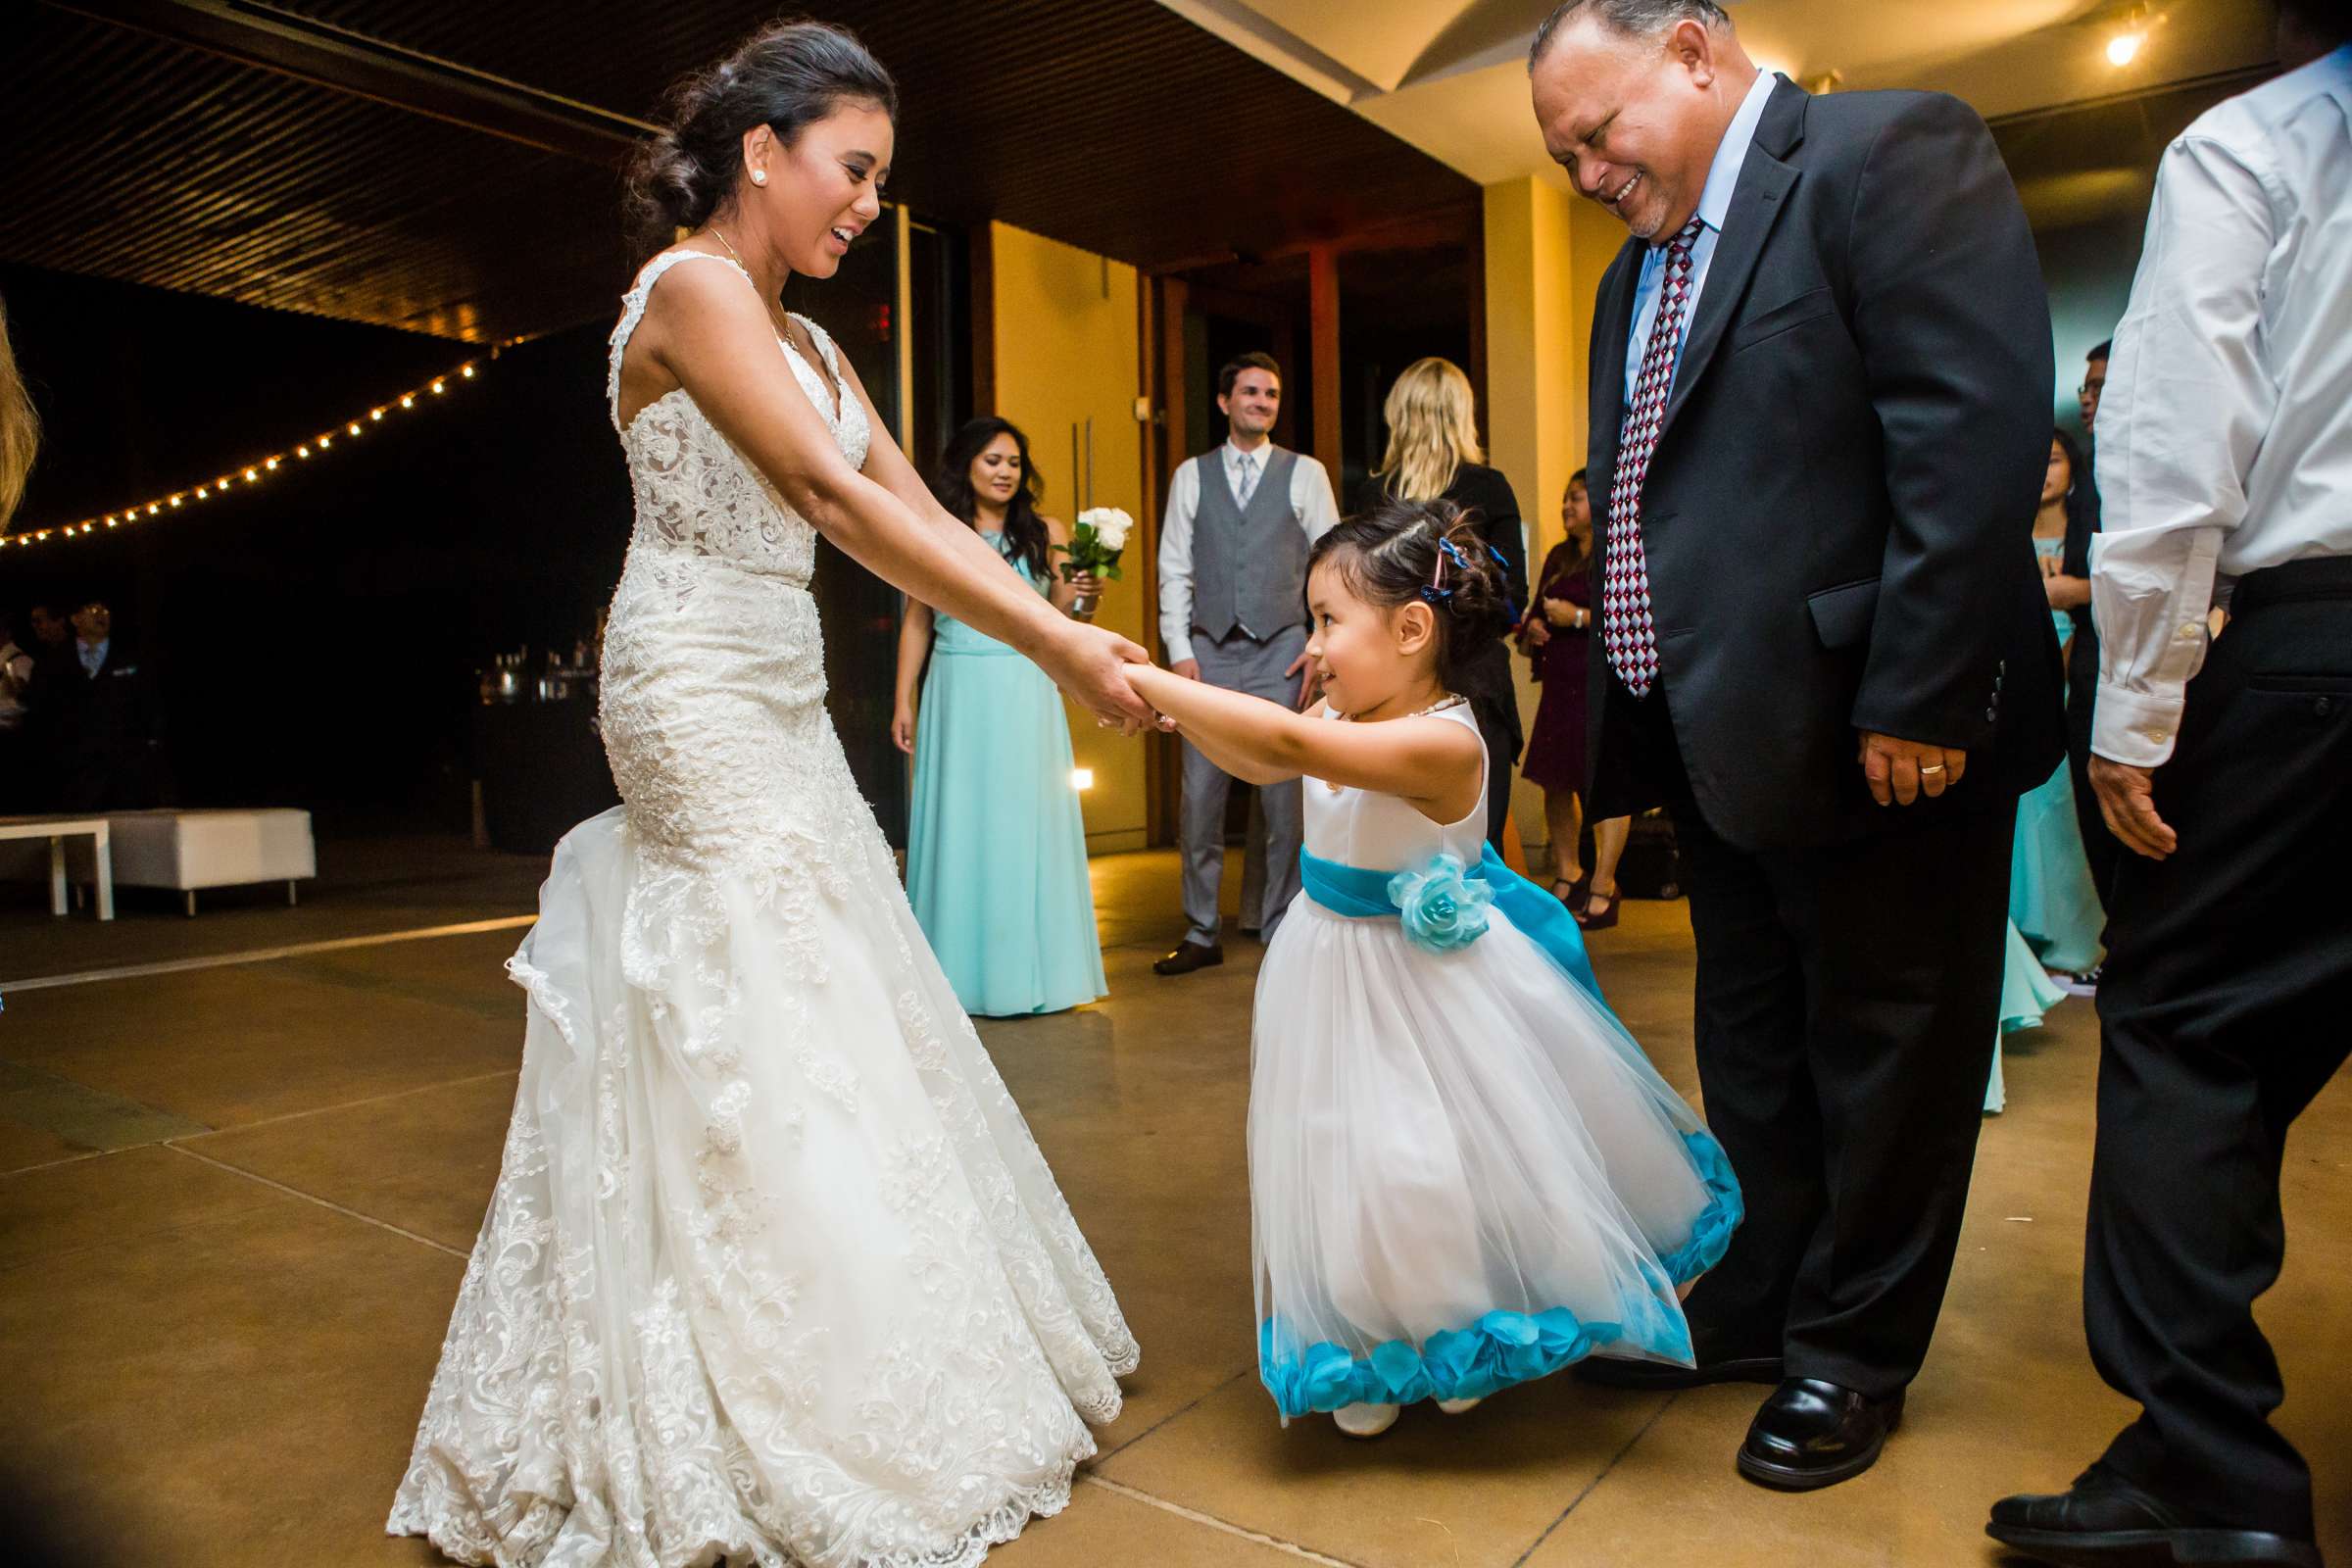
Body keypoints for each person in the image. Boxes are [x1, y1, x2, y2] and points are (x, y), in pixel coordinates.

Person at [389, 24, 1147, 1566]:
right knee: (757, 999)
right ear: (762, 150)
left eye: (880, 180)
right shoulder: (691, 291)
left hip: (788, 692)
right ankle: (734, 1382)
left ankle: (854, 1338)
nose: (868, 203)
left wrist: (1063, 617)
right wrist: (1059, 645)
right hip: (692, 691)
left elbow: (914, 505)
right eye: (854, 169)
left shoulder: (813, 342)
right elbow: (822, 497)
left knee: (840, 989)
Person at [1529, 0, 2064, 1490]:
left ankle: (1854, 1353)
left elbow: (1969, 434)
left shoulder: (1889, 150)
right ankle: (1764, 1300)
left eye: (1597, 131)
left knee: (1889, 1050)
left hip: (1880, 726)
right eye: (1562, 153)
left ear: (1693, 52)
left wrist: (1920, 688)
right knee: (1752, 1044)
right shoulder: (1635, 272)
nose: (1583, 172)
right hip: (1718, 732)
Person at [1121, 499, 1740, 1439]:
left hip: (1420, 982)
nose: (1314, 645)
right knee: (1341, 1151)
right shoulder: (1341, 705)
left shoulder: (1446, 740)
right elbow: (1263, 759)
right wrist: (1179, 723)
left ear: (1413, 630)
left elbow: (1287, 745)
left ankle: (1458, 1330)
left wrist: (1160, 682)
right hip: (1326, 964)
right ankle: (1373, 1342)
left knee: (1422, 1160)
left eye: (1330, 620)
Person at [1989, 14, 2352, 1567]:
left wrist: (2132, 714)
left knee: (2187, 1027)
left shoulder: (2261, 142)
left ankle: (2205, 1464)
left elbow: (2174, 446)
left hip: (2315, 646)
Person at [893, 416, 1106, 1016]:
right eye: (993, 460)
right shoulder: (941, 531)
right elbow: (917, 616)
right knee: (963, 820)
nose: (1005, 472)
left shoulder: (1046, 532)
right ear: (967, 465)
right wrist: (903, 695)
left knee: (1024, 819)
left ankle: (1030, 972)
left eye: (1013, 462)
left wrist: (1088, 593)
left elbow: (1068, 620)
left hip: (1024, 685)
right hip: (958, 686)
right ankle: (956, 974)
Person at [1152, 351, 1341, 976]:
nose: (1263, 403)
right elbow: (1174, 568)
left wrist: (1321, 647)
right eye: (1251, 392)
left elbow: (1331, 568)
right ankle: (1202, 929)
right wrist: (1179, 654)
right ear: (1225, 401)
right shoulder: (1191, 476)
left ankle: (1281, 922)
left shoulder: (1304, 472)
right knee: (1200, 797)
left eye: (1272, 394)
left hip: (1284, 650)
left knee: (1285, 799)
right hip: (1207, 653)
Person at [1353, 357, 1529, 857]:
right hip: (1473, 684)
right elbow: (1513, 597)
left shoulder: (1373, 496)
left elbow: (1358, 602)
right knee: (1478, 851)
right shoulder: (1489, 488)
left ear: (1399, 415)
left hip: (1393, 688)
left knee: (1392, 851)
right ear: (1461, 414)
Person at [2009, 431, 2107, 979]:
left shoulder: (2087, 530)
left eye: (2055, 460)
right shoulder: (2009, 529)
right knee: (2023, 811)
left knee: (2064, 806)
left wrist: (2075, 592)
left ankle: (2076, 941)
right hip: (2019, 675)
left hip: (2075, 676)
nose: (2045, 472)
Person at [1518, 470, 1633, 928]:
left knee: (1605, 785)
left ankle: (1605, 885)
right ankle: (1569, 874)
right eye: (1564, 499)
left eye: (1576, 498)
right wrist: (1533, 627)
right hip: (1559, 685)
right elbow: (1530, 611)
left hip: (1599, 685)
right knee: (1555, 780)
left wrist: (1579, 617)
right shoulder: (1558, 557)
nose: (1566, 507)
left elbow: (1630, 620)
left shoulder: (1616, 552)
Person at [2063, 338, 2125, 907]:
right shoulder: (2087, 467)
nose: (2089, 398)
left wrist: (2075, 589)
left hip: (2131, 654)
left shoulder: (2138, 468)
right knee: (2088, 799)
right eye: (2087, 387)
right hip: (2087, 658)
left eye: (2101, 386)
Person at [54, 602, 166, 811]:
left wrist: (148, 746)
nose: (101, 615)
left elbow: (148, 702)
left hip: (126, 770)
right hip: (76, 772)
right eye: (92, 610)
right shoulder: (56, 661)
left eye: (105, 610)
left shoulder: (130, 657)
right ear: (75, 618)